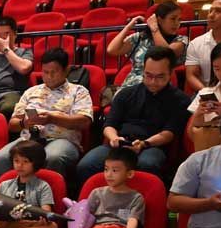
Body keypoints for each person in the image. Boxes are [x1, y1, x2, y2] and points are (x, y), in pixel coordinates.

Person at [77, 46, 190, 183]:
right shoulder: (126, 93)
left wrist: (144, 143)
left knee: (147, 165)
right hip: (120, 144)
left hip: (152, 146)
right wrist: (114, 138)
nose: (153, 82)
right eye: (148, 75)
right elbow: (109, 124)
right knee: (86, 165)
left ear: (171, 72)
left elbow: (169, 133)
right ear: (143, 71)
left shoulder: (180, 99)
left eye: (160, 77)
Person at [0, 48, 94, 182]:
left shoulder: (78, 91)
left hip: (62, 139)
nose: (49, 76)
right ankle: (2, 199)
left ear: (66, 70)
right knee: (1, 157)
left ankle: (49, 199)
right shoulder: (31, 91)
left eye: (54, 72)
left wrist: (52, 118)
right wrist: (25, 123)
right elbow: (12, 124)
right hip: (29, 139)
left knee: (53, 156)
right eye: (45, 72)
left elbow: (85, 121)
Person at [107, 3, 188, 93]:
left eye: (179, 20)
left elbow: (166, 54)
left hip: (157, 87)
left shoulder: (181, 40)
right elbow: (112, 50)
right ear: (160, 20)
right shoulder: (141, 37)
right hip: (131, 85)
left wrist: (154, 30)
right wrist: (128, 27)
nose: (177, 23)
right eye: (173, 19)